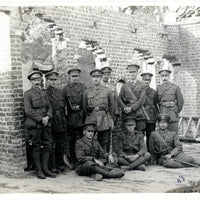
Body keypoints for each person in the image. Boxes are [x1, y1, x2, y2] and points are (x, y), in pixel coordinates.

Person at [24, 70, 57, 179]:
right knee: (36, 146)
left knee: (48, 144)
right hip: (36, 124)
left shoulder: (44, 93)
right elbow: (28, 111)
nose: (37, 82)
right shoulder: (28, 94)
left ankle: (46, 169)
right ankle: (39, 171)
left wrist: (48, 116)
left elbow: (49, 108)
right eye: (34, 80)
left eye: (38, 79)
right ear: (31, 81)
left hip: (46, 123)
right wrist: (40, 119)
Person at [83, 69, 114, 154]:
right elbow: (84, 107)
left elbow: (112, 107)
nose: (96, 79)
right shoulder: (87, 91)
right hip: (91, 118)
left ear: (101, 78)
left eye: (98, 77)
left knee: (104, 140)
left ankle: (105, 158)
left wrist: (110, 119)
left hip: (104, 119)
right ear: (92, 78)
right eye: (94, 77)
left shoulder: (107, 91)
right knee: (90, 140)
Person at [62, 67, 87, 169]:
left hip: (82, 117)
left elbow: (86, 102)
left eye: (76, 76)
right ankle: (73, 161)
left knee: (82, 140)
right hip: (71, 118)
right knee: (72, 141)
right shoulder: (66, 89)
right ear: (69, 77)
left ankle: (82, 160)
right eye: (73, 76)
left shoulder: (83, 87)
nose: (75, 78)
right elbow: (63, 104)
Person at [45, 70, 68, 171]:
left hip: (61, 121)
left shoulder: (60, 92)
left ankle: (60, 163)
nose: (53, 82)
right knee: (51, 143)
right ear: (47, 80)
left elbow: (64, 107)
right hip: (51, 121)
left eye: (55, 80)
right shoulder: (44, 93)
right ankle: (52, 165)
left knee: (60, 143)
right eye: (51, 80)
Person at [119, 63, 146, 133]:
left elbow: (142, 100)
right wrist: (124, 107)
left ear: (137, 72)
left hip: (138, 112)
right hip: (127, 113)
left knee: (139, 133)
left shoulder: (142, 85)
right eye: (130, 72)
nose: (132, 74)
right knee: (127, 133)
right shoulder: (125, 86)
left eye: (134, 72)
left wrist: (132, 108)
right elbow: (119, 98)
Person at [156, 65, 184, 132]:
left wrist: (176, 111)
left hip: (172, 112)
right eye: (162, 76)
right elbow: (155, 102)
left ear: (169, 76)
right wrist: (158, 112)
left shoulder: (175, 87)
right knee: (163, 133)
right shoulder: (158, 88)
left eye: (166, 76)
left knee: (173, 132)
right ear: (160, 77)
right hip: (163, 112)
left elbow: (181, 101)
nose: (164, 78)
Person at [141, 72, 157, 151]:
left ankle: (151, 153)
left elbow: (156, 104)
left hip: (151, 116)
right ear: (142, 80)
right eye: (145, 80)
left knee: (150, 136)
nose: (146, 81)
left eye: (148, 80)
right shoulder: (139, 91)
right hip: (141, 115)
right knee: (140, 135)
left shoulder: (153, 92)